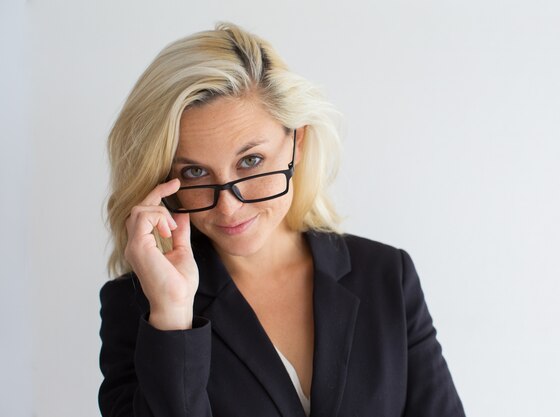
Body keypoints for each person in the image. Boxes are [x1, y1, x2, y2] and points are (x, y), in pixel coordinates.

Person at [99, 23, 466, 417]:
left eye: (251, 161)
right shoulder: (141, 308)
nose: (228, 206)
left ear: (298, 143)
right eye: (194, 173)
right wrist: (173, 316)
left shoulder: (387, 277)